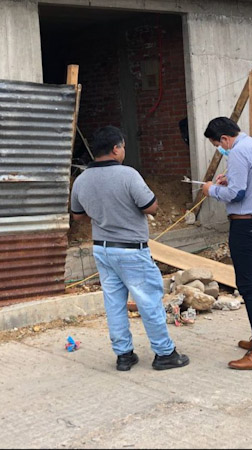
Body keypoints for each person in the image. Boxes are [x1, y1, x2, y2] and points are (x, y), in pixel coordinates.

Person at [70, 125, 190, 372]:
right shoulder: (128, 175)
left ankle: (124, 355)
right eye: (123, 146)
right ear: (116, 149)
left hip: (103, 250)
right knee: (149, 301)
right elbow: (151, 207)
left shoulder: (82, 179)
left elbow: (78, 216)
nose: (123, 150)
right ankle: (165, 352)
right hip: (131, 250)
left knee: (114, 303)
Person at [201, 117, 252, 370]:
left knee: (248, 286)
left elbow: (238, 193)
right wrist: (229, 182)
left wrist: (212, 189)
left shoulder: (238, 152)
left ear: (224, 138)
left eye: (217, 145)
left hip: (247, 225)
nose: (220, 150)